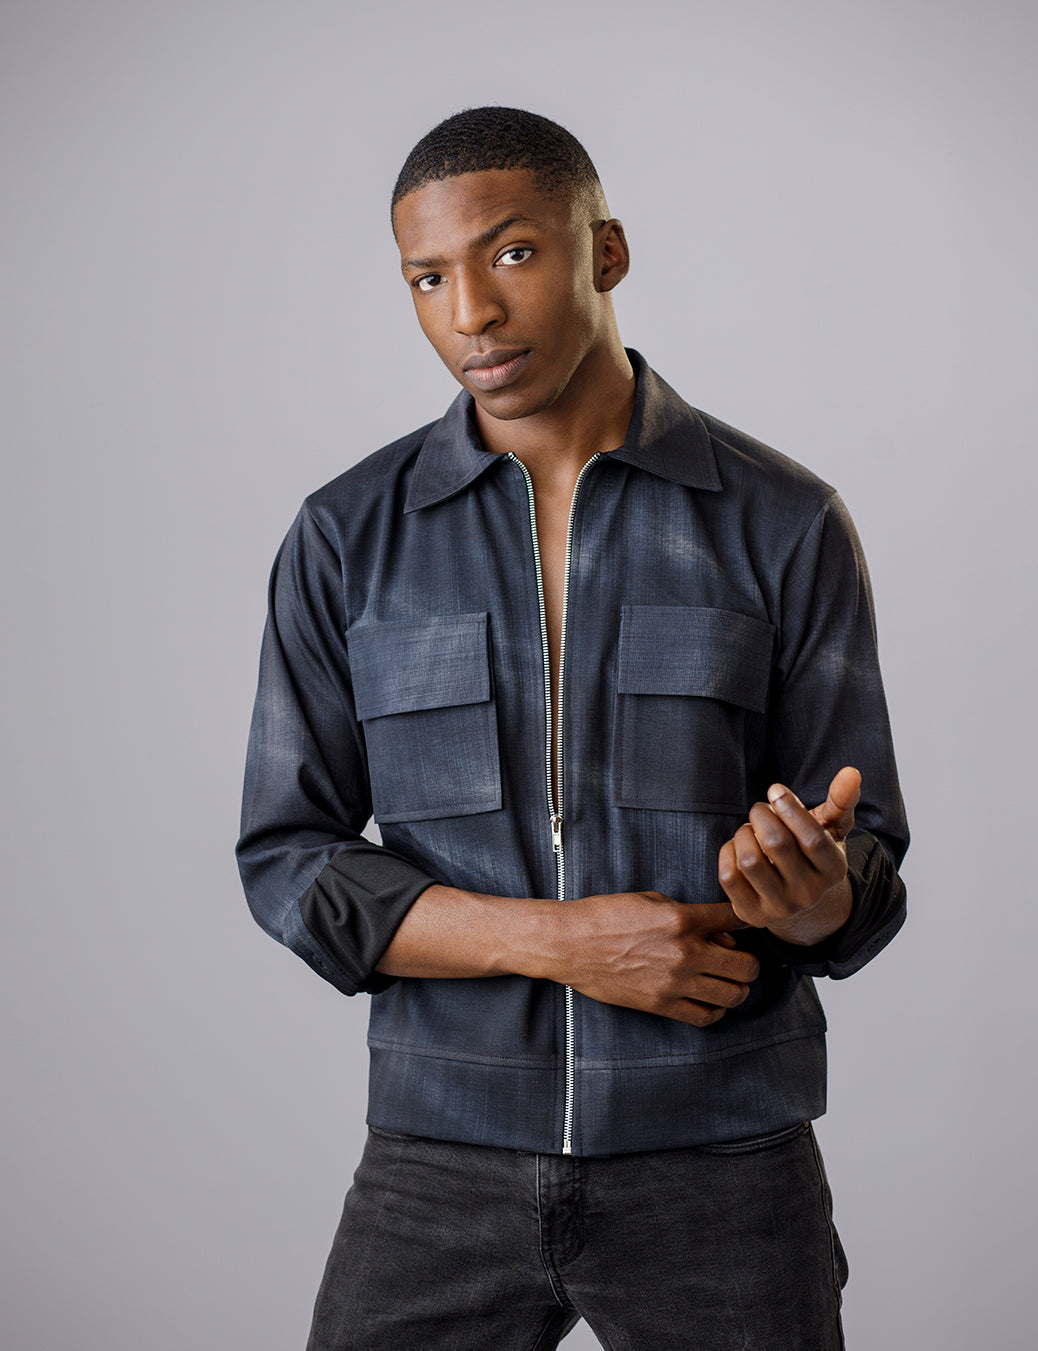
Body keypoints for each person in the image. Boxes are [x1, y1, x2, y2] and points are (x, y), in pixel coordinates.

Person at [237, 106, 908, 1351]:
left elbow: (865, 875)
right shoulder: (347, 536)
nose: (470, 313)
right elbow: (288, 861)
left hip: (723, 1160)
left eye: (511, 253)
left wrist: (809, 895)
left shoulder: (783, 520)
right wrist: (562, 944)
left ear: (606, 250)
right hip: (439, 1158)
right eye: (427, 278)